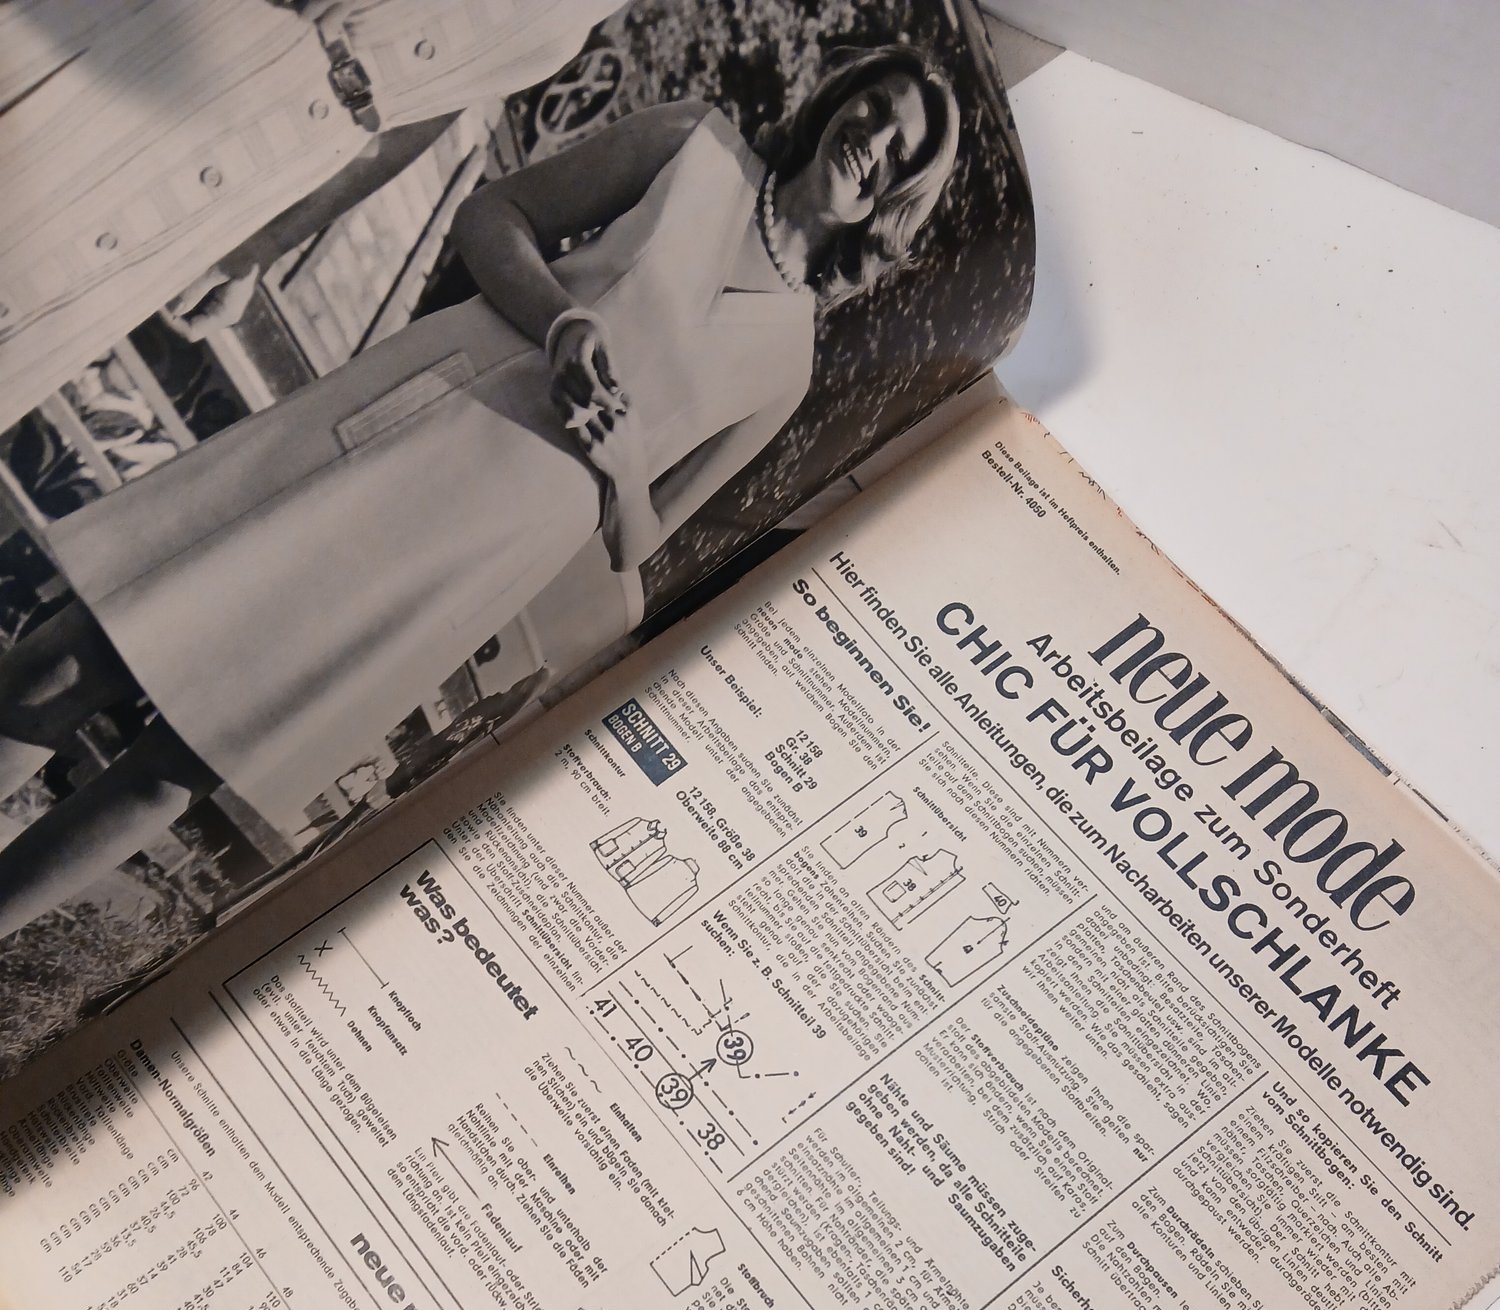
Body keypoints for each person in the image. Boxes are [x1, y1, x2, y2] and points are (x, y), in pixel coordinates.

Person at [0, 44, 961, 942]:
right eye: (875, 106)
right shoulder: (694, 142)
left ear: (899, 199)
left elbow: (641, 542)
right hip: (411, 426)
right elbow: (492, 216)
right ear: (840, 98)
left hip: (474, 555)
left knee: (186, 761)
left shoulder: (788, 364)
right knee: (88, 648)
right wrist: (562, 322)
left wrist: (626, 465)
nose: (872, 139)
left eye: (900, 151)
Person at [0, 0, 620, 426]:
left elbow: (423, 115)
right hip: (207, 54)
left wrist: (268, 242)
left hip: (262, 168)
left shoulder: (582, 16)